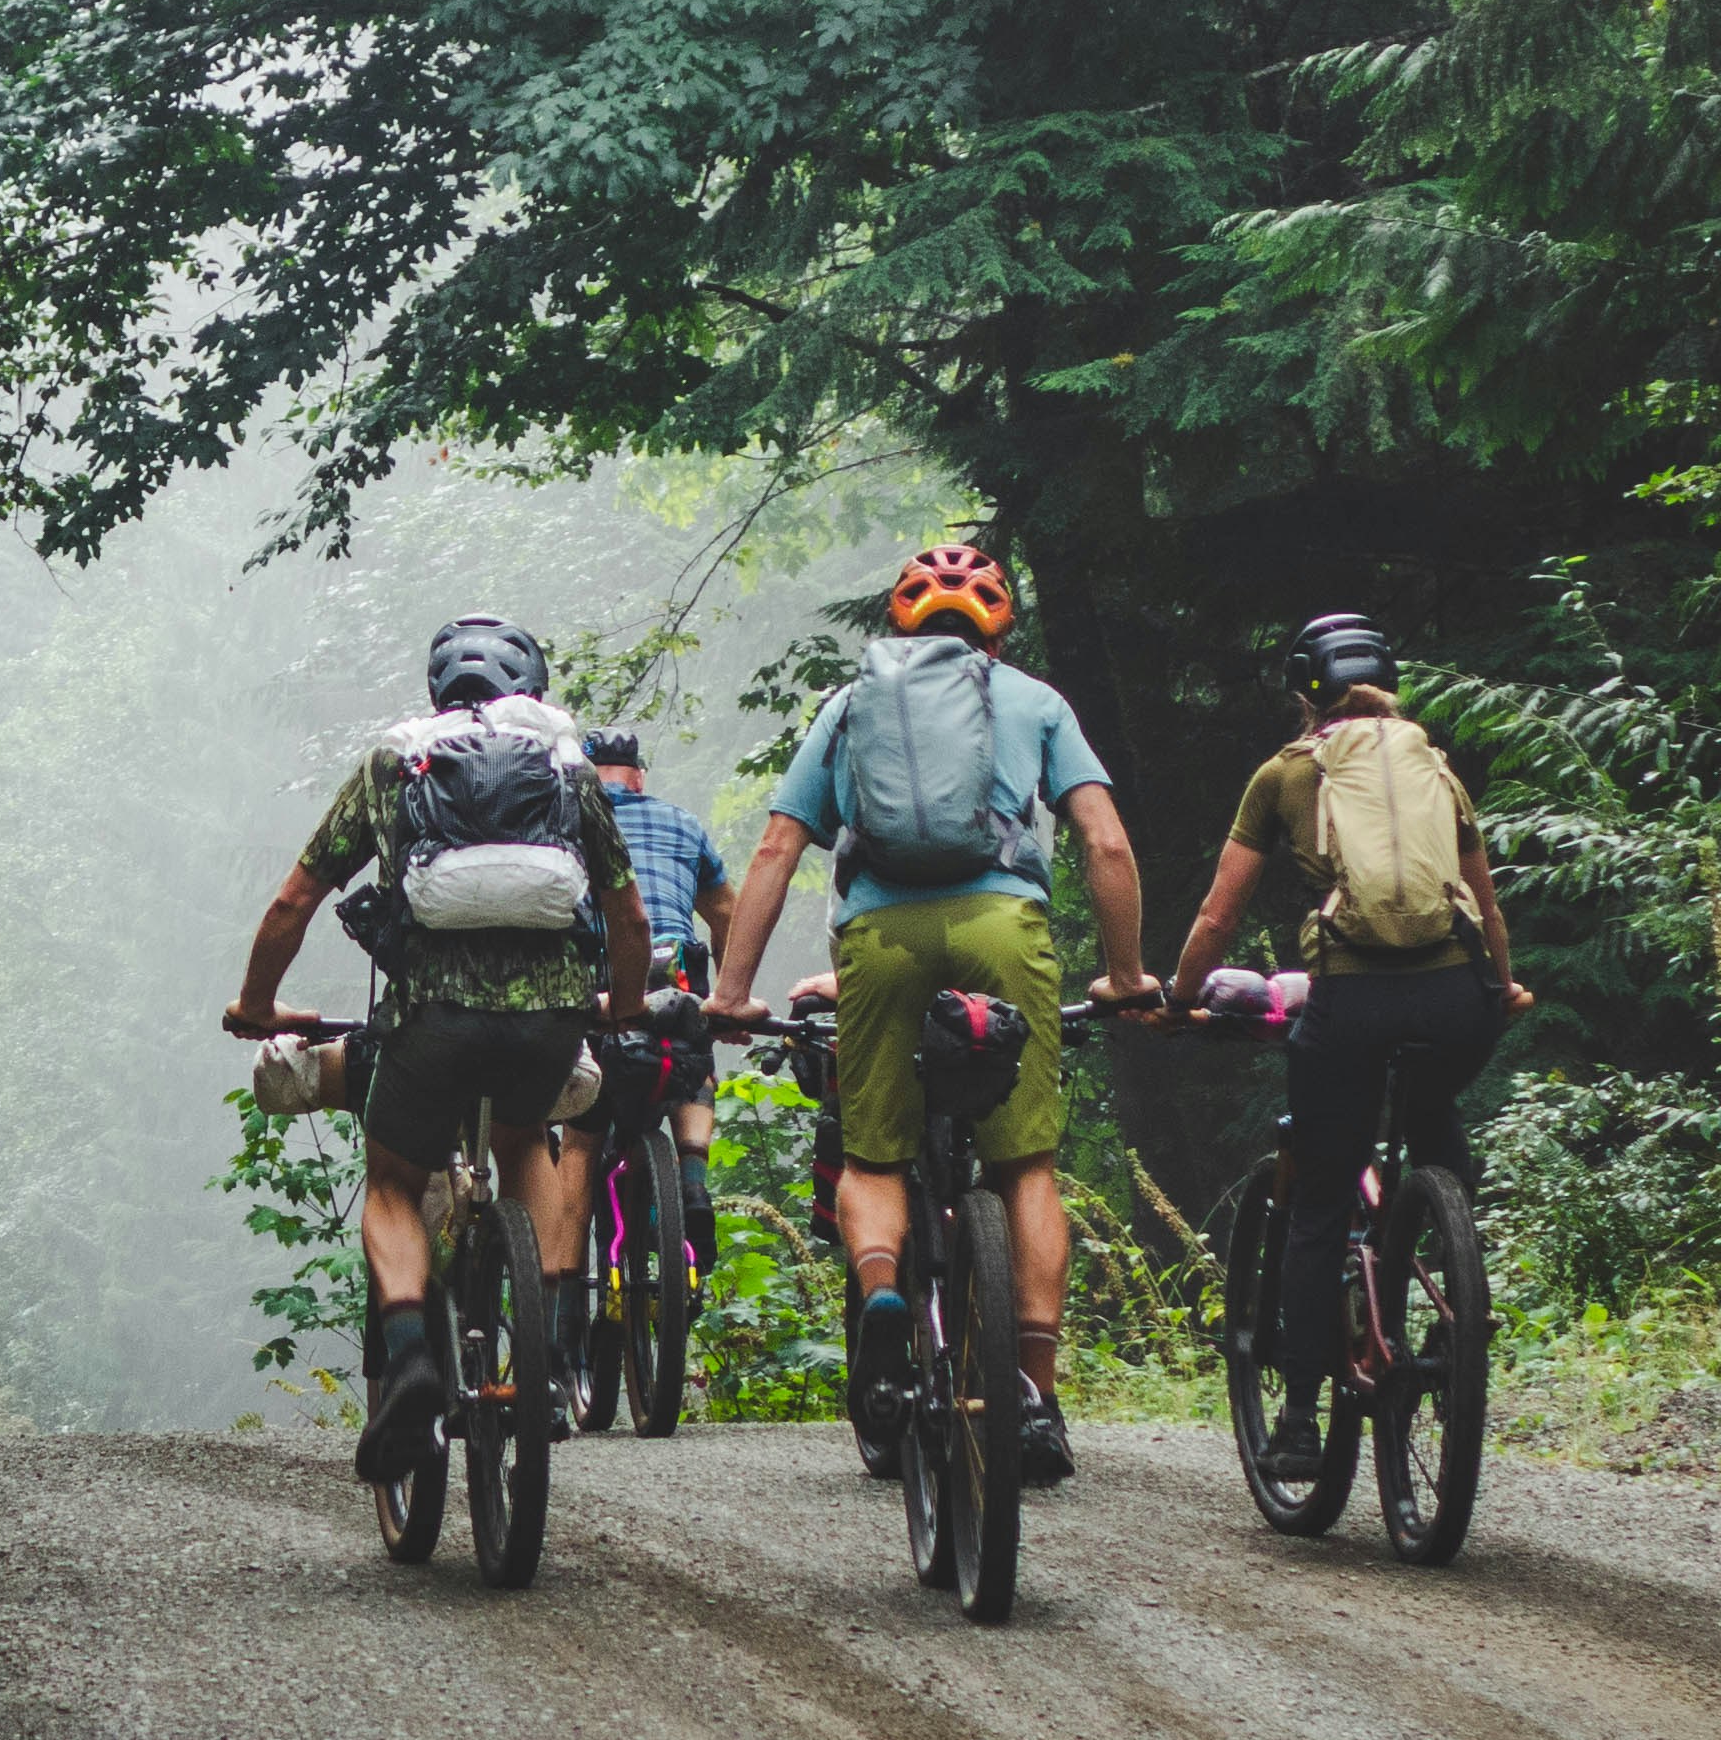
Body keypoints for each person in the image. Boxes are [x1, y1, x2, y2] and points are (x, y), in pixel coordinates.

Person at [710, 543, 1143, 1487]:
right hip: (1002, 926)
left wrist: (732, 994)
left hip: (882, 935)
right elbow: (1104, 841)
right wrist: (1126, 974)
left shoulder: (849, 704)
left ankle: (880, 1298)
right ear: (999, 621)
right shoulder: (1035, 701)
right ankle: (1032, 1396)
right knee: (1025, 1163)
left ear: (902, 620)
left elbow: (780, 847)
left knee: (874, 1156)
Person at [229, 615, 660, 1486]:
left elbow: (292, 902)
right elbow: (628, 917)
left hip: (432, 1021)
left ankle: (412, 1355)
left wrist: (259, 1005)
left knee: (393, 1182)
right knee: (525, 1133)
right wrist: (613, 1008)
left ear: (439, 691)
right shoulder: (568, 766)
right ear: (532, 688)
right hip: (548, 1024)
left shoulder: (396, 763)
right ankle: (534, 1349)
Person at [1141, 612, 1525, 1488]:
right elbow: (1486, 906)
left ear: (1305, 691)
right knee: (1434, 1116)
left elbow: (1218, 914)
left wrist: (1178, 998)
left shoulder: (1285, 772)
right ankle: (1455, 1292)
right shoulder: (1435, 764)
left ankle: (1301, 1420)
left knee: (1320, 1196)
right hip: (1457, 996)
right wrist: (1500, 989)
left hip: (1353, 1002)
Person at [584, 726, 735, 1265]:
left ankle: (563, 1290)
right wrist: (730, 997)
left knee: (583, 1105)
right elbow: (726, 919)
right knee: (695, 1066)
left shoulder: (568, 820)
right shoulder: (682, 824)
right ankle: (692, 1182)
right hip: (675, 964)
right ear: (639, 777)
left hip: (599, 969)